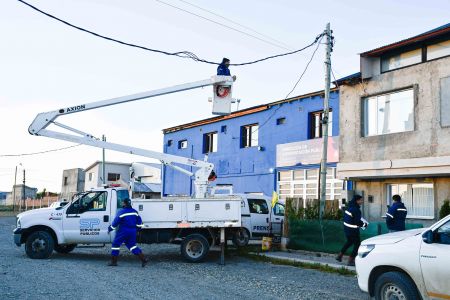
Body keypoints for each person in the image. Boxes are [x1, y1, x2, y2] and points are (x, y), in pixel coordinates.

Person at [107, 198, 148, 267]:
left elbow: (115, 223)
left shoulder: (121, 212)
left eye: (123, 202)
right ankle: (143, 259)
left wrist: (109, 229)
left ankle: (114, 262)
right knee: (132, 246)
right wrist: (137, 230)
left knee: (115, 244)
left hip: (123, 231)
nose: (122, 203)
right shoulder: (135, 212)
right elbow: (139, 223)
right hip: (132, 231)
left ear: (124, 204)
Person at [336, 194, 367, 266]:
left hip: (347, 229)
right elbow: (357, 221)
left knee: (349, 242)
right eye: (361, 200)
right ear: (357, 201)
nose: (362, 201)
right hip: (353, 230)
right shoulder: (356, 210)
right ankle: (350, 260)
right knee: (357, 245)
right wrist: (364, 225)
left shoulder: (349, 207)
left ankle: (340, 255)